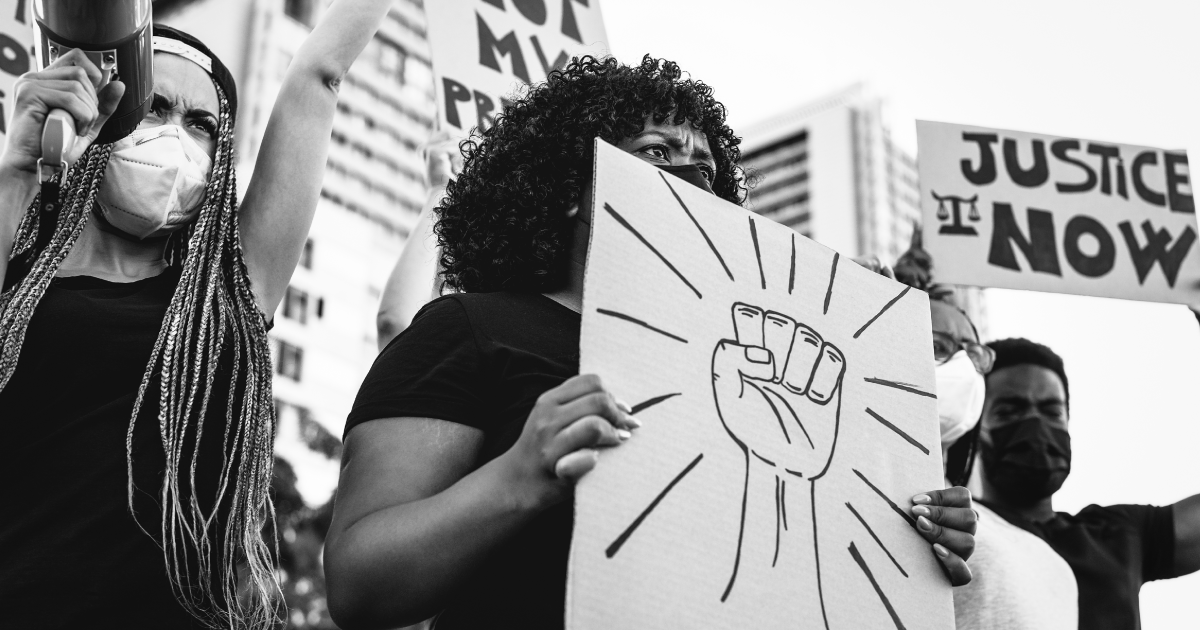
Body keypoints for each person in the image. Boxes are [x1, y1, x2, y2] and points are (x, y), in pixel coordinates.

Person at [324, 55, 978, 630]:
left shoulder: (765, 367)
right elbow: (359, 582)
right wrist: (518, 475)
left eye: (708, 170)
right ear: (569, 187)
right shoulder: (471, 329)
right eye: (658, 152)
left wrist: (903, 530)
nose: (693, 179)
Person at [0, 2, 396, 627]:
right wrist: (19, 166)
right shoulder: (17, 275)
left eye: (202, 124)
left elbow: (319, 73)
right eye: (154, 108)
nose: (174, 134)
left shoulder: (229, 297)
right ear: (103, 118)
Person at [973, 337, 1200, 630]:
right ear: (974, 426)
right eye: (1008, 412)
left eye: (1052, 412)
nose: (1036, 426)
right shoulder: (953, 526)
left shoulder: (1118, 534)